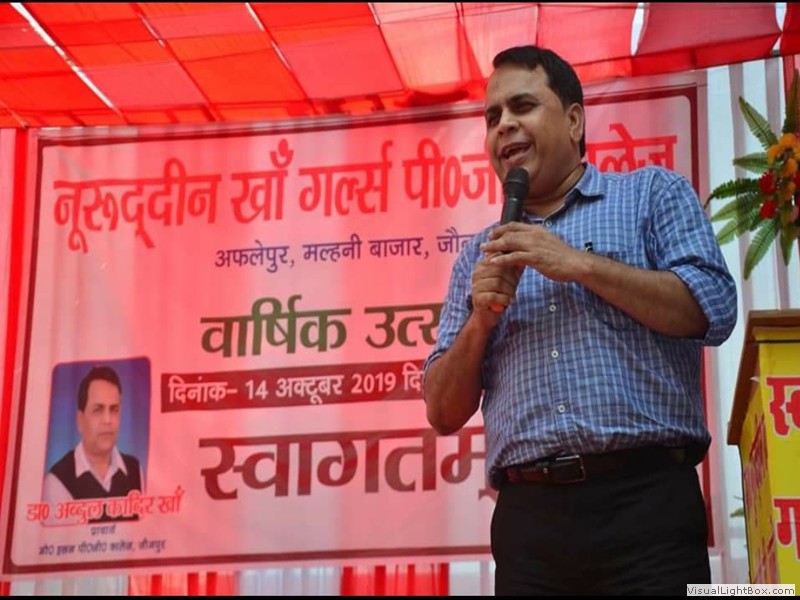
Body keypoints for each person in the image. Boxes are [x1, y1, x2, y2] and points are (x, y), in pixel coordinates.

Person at [423, 45, 737, 595]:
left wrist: (579, 265)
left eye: (523, 106)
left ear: (573, 120)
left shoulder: (650, 195)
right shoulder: (479, 257)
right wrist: (480, 323)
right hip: (530, 526)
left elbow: (713, 306)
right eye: (493, 117)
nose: (504, 125)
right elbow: (442, 411)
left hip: (647, 506)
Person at [43, 365, 144, 523]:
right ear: (80, 420)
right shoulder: (57, 482)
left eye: (114, 409)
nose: (107, 420)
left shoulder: (135, 470)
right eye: (98, 410)